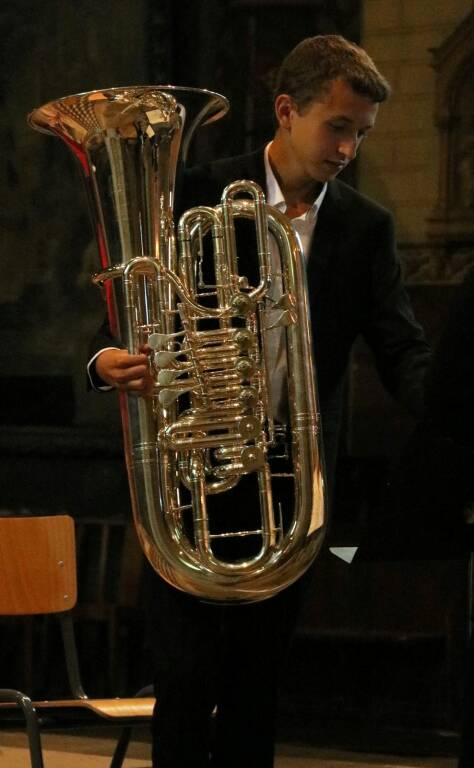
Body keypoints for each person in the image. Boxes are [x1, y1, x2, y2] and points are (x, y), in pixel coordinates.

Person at [88, 35, 431, 768]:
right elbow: (120, 321)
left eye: (361, 135)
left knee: (256, 694)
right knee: (183, 683)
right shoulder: (196, 195)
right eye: (337, 127)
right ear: (286, 110)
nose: (348, 149)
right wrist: (104, 361)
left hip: (291, 487)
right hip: (190, 483)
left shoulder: (366, 229)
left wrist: (452, 407)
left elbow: (402, 350)